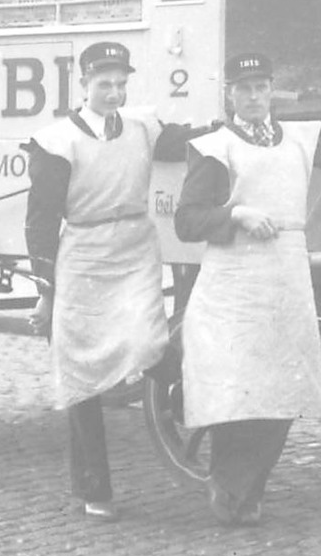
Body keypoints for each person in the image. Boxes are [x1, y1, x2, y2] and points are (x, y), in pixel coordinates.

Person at [173, 51, 321, 526]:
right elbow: (187, 220)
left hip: (285, 275)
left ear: (271, 91)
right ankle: (229, 486)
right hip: (235, 280)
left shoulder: (298, 139)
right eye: (244, 89)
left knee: (283, 385)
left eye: (261, 87)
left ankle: (248, 487)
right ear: (230, 95)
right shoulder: (215, 147)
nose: (254, 97)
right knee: (238, 387)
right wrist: (236, 214)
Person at [24, 41, 204, 522]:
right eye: (104, 84)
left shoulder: (143, 127)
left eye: (121, 83)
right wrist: (46, 291)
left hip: (134, 251)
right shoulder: (57, 141)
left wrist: (229, 130)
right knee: (82, 374)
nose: (114, 92)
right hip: (83, 257)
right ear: (84, 84)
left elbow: (190, 141)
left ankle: (193, 404)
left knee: (148, 341)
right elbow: (40, 221)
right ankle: (94, 488)